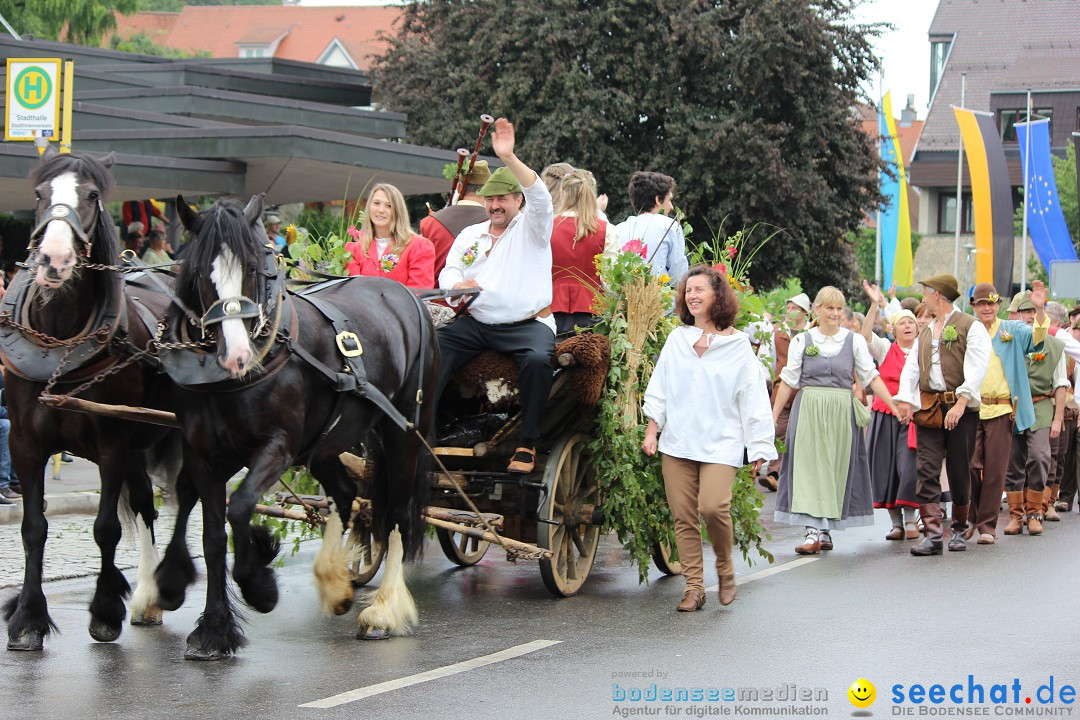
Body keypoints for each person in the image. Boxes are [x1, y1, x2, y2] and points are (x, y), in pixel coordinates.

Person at [642, 265, 776, 612]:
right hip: (679, 442)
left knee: (713, 507)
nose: (693, 295)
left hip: (721, 443)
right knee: (683, 517)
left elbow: (754, 398)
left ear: (719, 296)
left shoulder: (739, 346)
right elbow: (660, 387)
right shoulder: (677, 339)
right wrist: (653, 429)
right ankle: (695, 588)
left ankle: (725, 568)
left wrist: (760, 445)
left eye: (700, 289)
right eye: (689, 290)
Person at [437, 117, 555, 474]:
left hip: (527, 325)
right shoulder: (470, 234)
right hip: (478, 324)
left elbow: (541, 197)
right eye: (490, 199)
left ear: (517, 200)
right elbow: (450, 269)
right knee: (432, 348)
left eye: (503, 198)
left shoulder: (533, 227)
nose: (495, 205)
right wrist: (455, 285)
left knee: (537, 361)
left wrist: (508, 156)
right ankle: (429, 430)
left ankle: (527, 442)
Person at [772, 286, 899, 554]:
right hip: (809, 409)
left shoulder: (852, 341)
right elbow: (788, 381)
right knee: (809, 468)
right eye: (830, 308)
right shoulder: (802, 341)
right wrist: (772, 418)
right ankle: (811, 532)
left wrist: (894, 406)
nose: (836, 313)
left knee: (833, 468)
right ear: (816, 310)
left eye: (840, 308)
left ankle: (825, 528)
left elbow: (871, 377)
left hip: (841, 413)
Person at [895, 274, 991, 556]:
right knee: (926, 469)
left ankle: (959, 529)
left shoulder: (970, 327)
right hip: (929, 407)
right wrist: (906, 401)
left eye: (925, 292)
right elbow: (912, 367)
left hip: (960, 407)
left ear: (937, 294)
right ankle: (933, 534)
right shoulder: (926, 331)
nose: (923, 298)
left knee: (960, 469)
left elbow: (977, 367)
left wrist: (961, 404)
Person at [964, 283, 1047, 544]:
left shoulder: (1011, 329)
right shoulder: (967, 330)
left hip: (1001, 410)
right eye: (981, 304)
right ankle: (971, 518)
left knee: (995, 470)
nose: (987, 308)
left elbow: (1037, 339)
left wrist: (1040, 309)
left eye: (991, 303)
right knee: (969, 466)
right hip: (972, 408)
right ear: (973, 307)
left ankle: (987, 527)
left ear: (998, 305)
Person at [1001, 290, 1067, 537]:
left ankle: (1035, 512)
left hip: (1040, 406)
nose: (1029, 316)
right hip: (1012, 406)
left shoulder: (1054, 344)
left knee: (1039, 457)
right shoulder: (1007, 340)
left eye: (1033, 311)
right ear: (1017, 315)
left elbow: (1061, 383)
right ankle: (1016, 516)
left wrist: (1058, 418)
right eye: (1025, 311)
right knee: (1013, 461)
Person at [861, 282, 919, 540]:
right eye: (902, 323)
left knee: (909, 467)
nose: (907, 326)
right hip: (885, 414)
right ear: (892, 330)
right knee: (885, 468)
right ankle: (896, 523)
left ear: (918, 329)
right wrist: (875, 304)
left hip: (913, 418)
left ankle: (910, 519)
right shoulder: (886, 350)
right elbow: (865, 337)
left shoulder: (923, 351)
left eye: (911, 323)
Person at [549, 168, 619, 335]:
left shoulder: (547, 226)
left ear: (563, 192)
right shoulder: (607, 230)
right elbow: (610, 282)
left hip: (550, 309)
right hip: (593, 310)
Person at [760, 292, 811, 492]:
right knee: (779, 431)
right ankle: (774, 474)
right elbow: (771, 360)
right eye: (788, 307)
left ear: (804, 312)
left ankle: (796, 476)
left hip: (804, 391)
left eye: (794, 308)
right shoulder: (777, 332)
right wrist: (771, 382)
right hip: (782, 388)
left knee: (801, 433)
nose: (789, 311)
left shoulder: (811, 333)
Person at [344, 183, 435, 289]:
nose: (381, 210)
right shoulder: (354, 251)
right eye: (376, 203)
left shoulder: (419, 247)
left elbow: (418, 293)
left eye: (389, 206)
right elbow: (353, 292)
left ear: (398, 211)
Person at [421, 160, 492, 278]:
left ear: (459, 187)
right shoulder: (495, 225)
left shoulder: (429, 223)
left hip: (434, 296)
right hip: (478, 295)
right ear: (488, 190)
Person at [614, 171, 688, 282]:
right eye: (669, 200)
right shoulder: (670, 226)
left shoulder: (617, 229)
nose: (671, 207)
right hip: (660, 296)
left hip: (624, 297)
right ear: (658, 200)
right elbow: (678, 277)